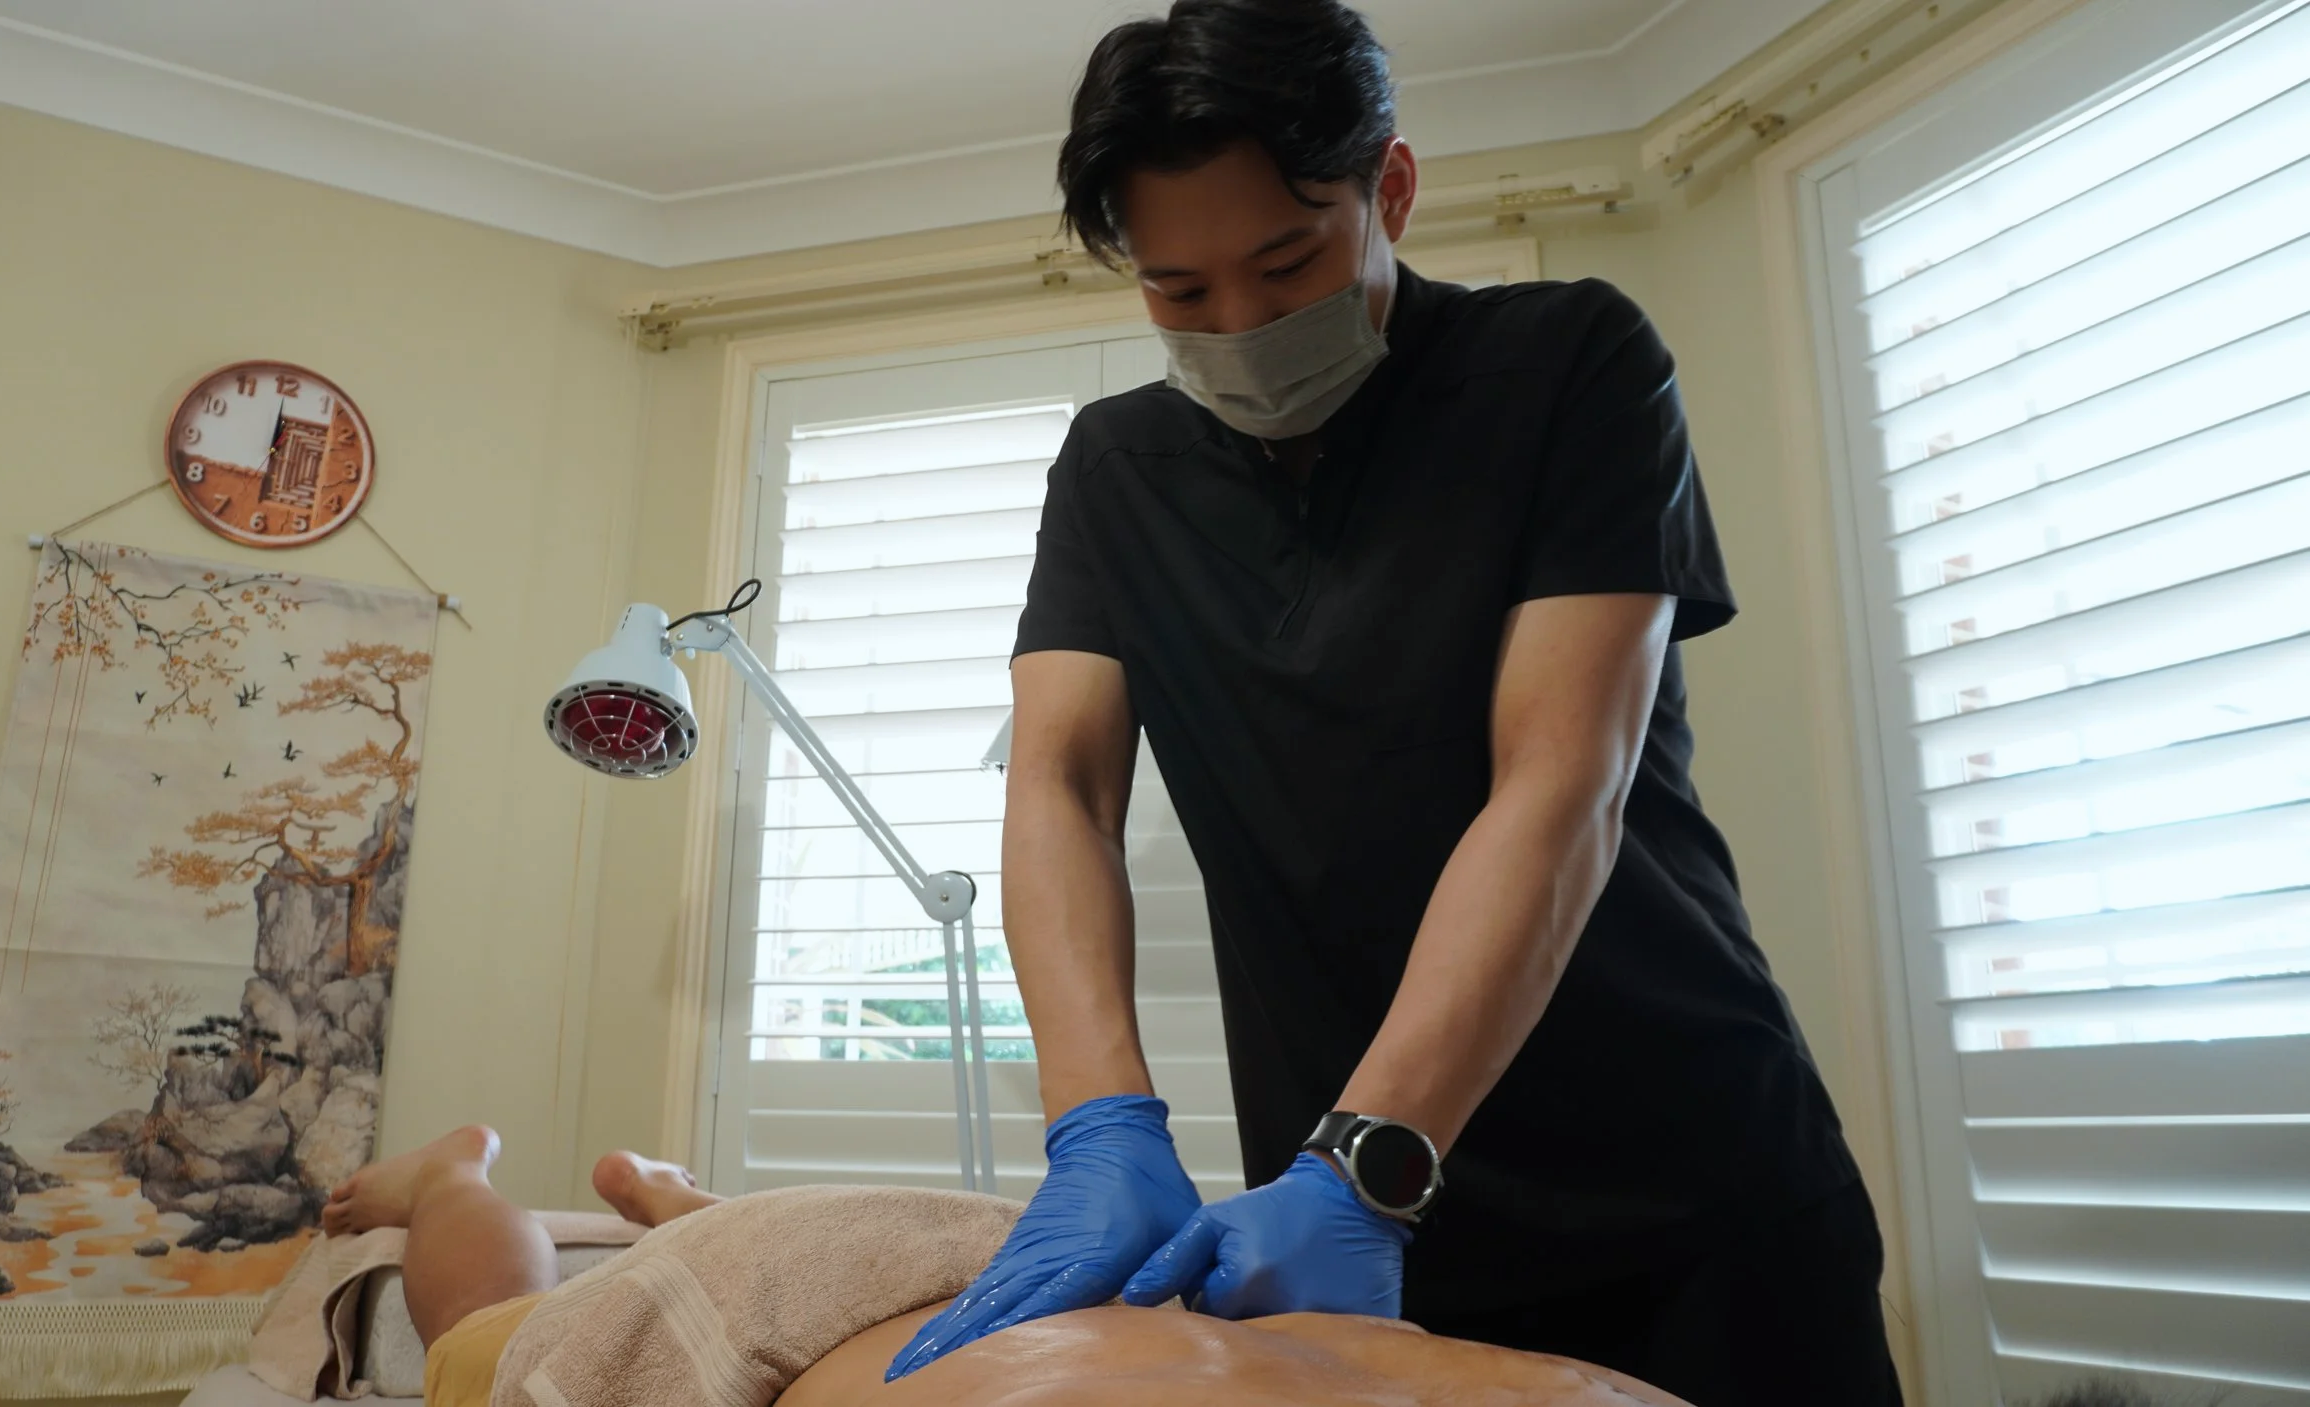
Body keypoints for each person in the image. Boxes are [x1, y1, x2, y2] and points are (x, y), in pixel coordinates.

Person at [884, 3, 1903, 1405]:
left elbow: (1561, 782)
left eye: (1288, 260)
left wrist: (1371, 1163)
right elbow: (1059, 781)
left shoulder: (1569, 368)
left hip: (1680, 1184)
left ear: (1393, 191)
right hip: (1345, 1226)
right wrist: (1099, 1119)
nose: (1240, 325)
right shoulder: (1117, 470)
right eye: (1178, 290)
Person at [320, 1124, 1697, 1407]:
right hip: (838, 1300)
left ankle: (690, 1204)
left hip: (979, 1256)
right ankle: (455, 1174)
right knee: (492, 1334)